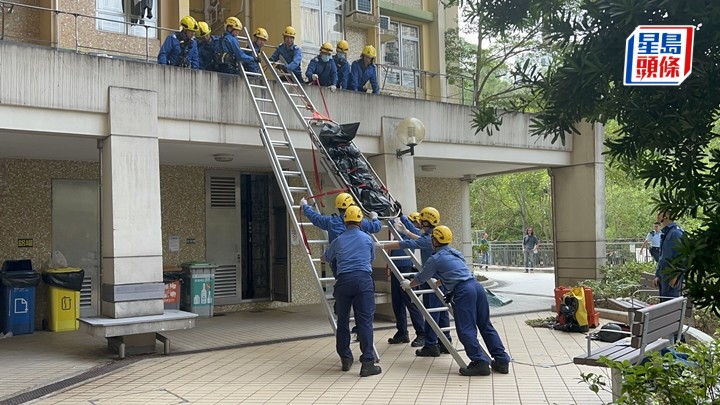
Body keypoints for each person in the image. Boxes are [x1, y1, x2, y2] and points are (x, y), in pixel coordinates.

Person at [400, 226, 511, 376]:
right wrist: (439, 282)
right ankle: (502, 360)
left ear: (434, 240)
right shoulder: (456, 253)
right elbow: (455, 272)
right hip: (477, 287)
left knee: (466, 329)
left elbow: (421, 278)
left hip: (464, 292)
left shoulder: (435, 259)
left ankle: (479, 362)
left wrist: (409, 284)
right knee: (485, 325)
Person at [381, 206, 452, 357]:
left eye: (421, 221)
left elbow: (411, 243)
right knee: (441, 311)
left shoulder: (429, 240)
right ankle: (445, 342)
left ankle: (431, 344)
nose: (419, 223)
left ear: (426, 222)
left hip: (432, 279)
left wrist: (383, 245)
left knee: (431, 312)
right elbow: (419, 238)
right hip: (442, 279)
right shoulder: (435, 237)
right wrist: (404, 224)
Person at [322, 206, 382, 377]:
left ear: (345, 220)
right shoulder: (367, 239)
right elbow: (371, 258)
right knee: (365, 322)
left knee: (342, 321)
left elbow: (327, 257)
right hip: (363, 280)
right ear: (360, 220)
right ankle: (367, 363)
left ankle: (346, 358)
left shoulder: (339, 240)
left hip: (344, 281)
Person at [387, 212, 425, 347]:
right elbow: (390, 225)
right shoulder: (399, 233)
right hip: (395, 270)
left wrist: (402, 216)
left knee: (411, 302)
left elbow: (414, 231)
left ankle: (421, 333)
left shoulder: (413, 233)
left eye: (411, 221)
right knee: (397, 303)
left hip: (406, 270)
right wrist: (390, 216)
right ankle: (402, 332)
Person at [653, 211, 684, 301]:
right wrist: (657, 275)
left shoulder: (676, 233)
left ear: (666, 215)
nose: (657, 215)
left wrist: (676, 276)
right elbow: (662, 257)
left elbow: (683, 256)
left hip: (671, 278)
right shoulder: (666, 233)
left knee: (670, 308)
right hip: (663, 277)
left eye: (659, 213)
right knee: (663, 308)